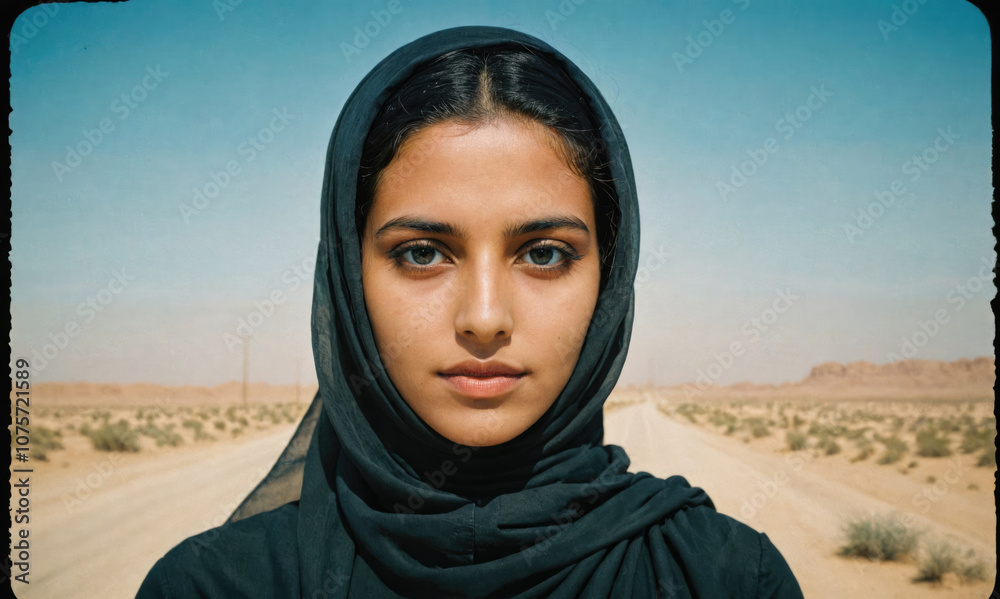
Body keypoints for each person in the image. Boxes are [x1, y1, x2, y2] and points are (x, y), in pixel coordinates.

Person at [136, 26, 803, 598]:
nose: (484, 318)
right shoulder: (216, 585)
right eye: (423, 253)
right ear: (347, 270)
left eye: (543, 254)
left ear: (610, 272)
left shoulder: (722, 577)